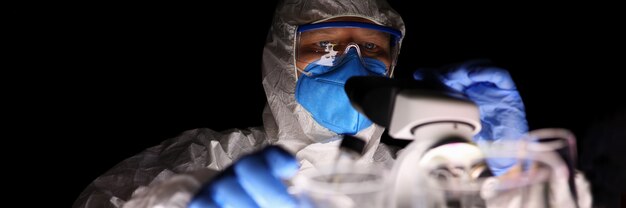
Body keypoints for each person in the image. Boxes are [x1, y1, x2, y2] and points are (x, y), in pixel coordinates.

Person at [73, 0, 532, 207]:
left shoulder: (428, 184)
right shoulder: (203, 163)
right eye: (326, 47)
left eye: (373, 50)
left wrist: (507, 182)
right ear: (280, 59)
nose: (352, 66)